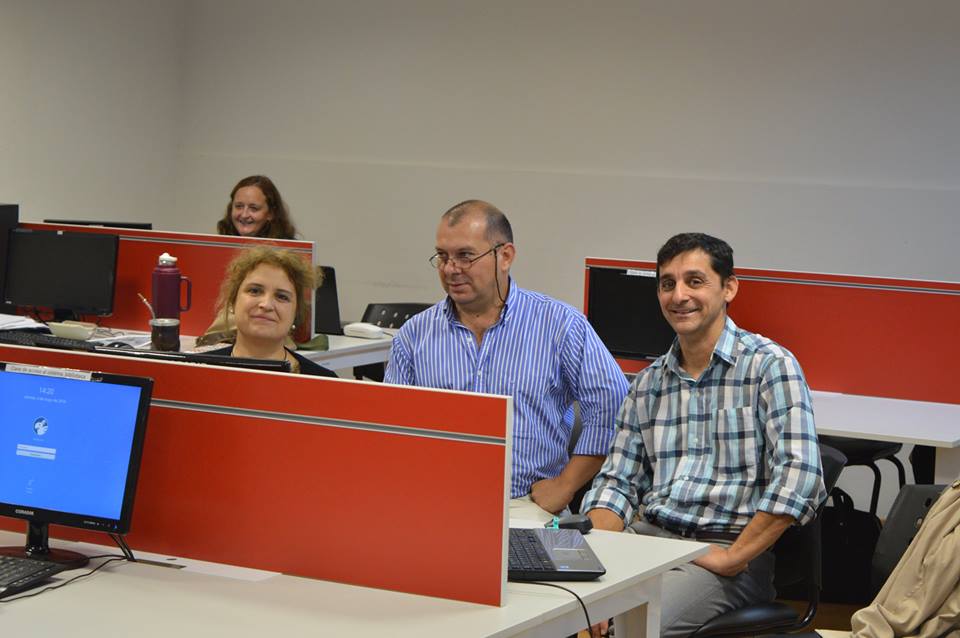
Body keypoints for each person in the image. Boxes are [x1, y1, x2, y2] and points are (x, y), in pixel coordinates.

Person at [582, 232, 827, 638]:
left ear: (729, 288)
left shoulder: (769, 367)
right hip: (647, 543)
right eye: (667, 284)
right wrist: (592, 566)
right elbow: (617, 483)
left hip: (723, 555)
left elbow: (800, 477)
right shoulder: (647, 384)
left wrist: (735, 556)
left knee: (626, 629)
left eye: (694, 281)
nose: (679, 295)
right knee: (561, 610)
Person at [384, 200, 629, 521]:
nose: (450, 269)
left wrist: (566, 485)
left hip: (525, 505)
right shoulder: (414, 336)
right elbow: (390, 432)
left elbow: (615, 407)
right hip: (435, 503)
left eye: (465, 256)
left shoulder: (559, 325)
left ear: (505, 256)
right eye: (442, 256)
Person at [207, 246, 335, 378]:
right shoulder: (197, 370)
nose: (266, 305)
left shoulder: (324, 382)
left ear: (296, 313)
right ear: (233, 301)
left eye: (282, 297)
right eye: (255, 291)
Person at [216, 175, 298, 239]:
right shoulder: (217, 245)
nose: (244, 215)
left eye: (253, 208)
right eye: (239, 206)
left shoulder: (290, 251)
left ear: (271, 213)